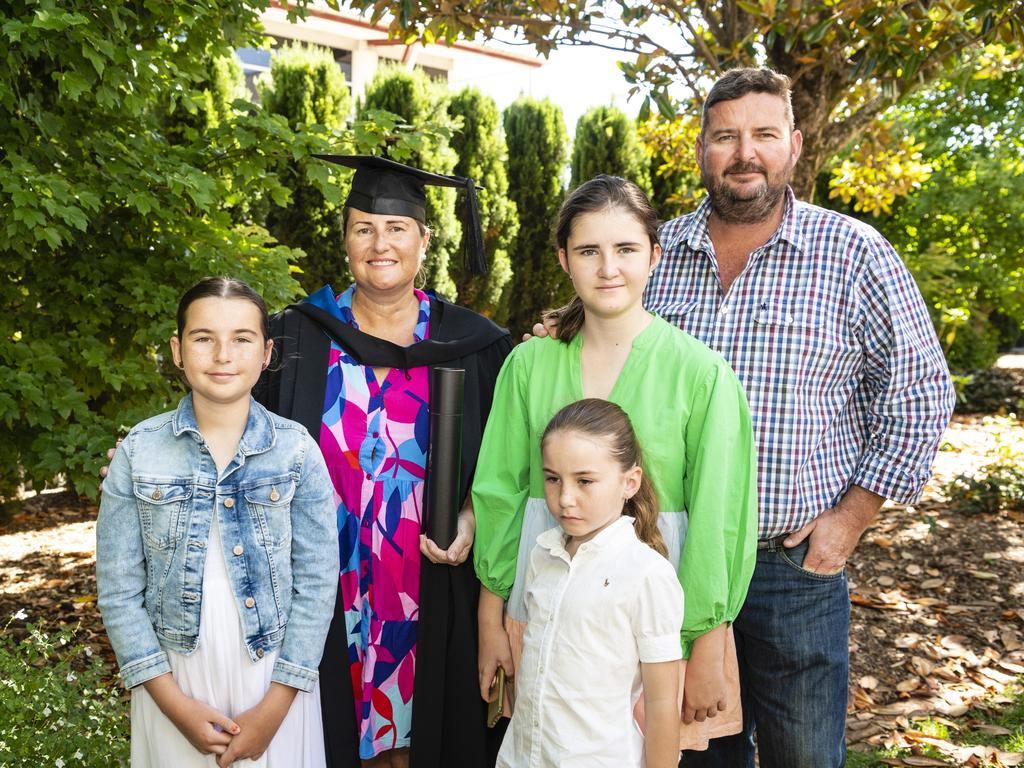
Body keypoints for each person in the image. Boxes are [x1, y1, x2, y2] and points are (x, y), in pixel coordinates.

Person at [528, 69, 952, 767]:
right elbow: (594, 332)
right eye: (726, 136)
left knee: (803, 755)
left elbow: (920, 390)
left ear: (794, 144)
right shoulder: (652, 253)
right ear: (702, 148)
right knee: (683, 751)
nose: (744, 152)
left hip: (790, 565)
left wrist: (848, 522)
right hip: (665, 564)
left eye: (763, 134)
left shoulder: (853, 255)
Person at [474, 175, 758, 754]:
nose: (608, 268)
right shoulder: (528, 365)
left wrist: (706, 639)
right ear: (563, 260)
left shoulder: (700, 373)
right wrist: (491, 615)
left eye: (626, 249)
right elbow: (501, 492)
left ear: (655, 255)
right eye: (588, 251)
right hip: (545, 601)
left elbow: (719, 516)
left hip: (659, 617)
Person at [254, 155, 513, 768]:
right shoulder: (292, 338)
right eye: (364, 227)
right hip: (324, 581)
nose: (380, 243)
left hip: (431, 578)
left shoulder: (477, 346)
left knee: (422, 743)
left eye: (397, 228)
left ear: (424, 239)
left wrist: (472, 516)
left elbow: (509, 468)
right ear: (344, 237)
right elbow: (232, 432)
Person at [96, 277, 339, 767]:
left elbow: (317, 584)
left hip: (274, 677)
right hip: (174, 678)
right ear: (178, 350)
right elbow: (118, 592)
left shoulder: (297, 451)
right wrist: (175, 705)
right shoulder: (139, 453)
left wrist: (275, 709)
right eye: (204, 338)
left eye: (242, 339)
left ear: (267, 352)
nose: (223, 354)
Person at [496, 399, 683, 768]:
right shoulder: (541, 556)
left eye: (584, 481)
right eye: (553, 479)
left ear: (630, 482)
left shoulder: (647, 574)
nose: (565, 498)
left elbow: (662, 704)